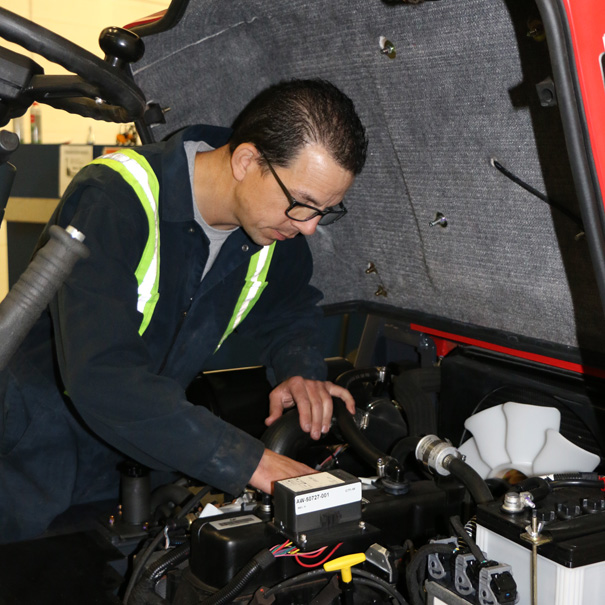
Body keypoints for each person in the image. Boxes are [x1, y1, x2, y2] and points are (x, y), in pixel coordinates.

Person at [0, 78, 368, 543]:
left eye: (327, 211)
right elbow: (102, 375)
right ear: (246, 160)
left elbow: (291, 308)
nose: (311, 227)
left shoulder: (275, 229)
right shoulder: (116, 200)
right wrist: (251, 461)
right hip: (34, 457)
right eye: (303, 204)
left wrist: (299, 369)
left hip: (142, 460)